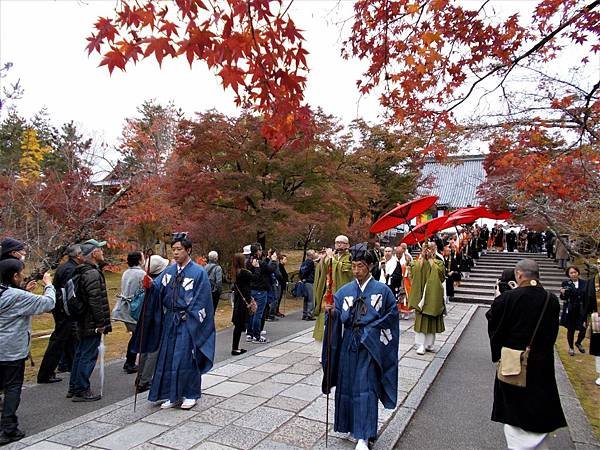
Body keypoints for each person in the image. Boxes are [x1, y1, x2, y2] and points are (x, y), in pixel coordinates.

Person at [321, 249, 399, 450]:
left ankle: (364, 435)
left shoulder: (383, 291)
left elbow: (391, 316)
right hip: (348, 343)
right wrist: (331, 313)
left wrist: (371, 332)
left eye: (361, 266)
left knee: (366, 387)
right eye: (353, 266)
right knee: (346, 385)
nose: (356, 270)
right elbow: (336, 313)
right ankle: (348, 425)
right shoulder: (345, 290)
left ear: (371, 266)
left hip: (369, 346)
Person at [486, 259, 566, 449]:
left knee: (515, 412)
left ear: (519, 275)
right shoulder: (551, 299)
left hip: (515, 363)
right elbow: (552, 333)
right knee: (538, 409)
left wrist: (498, 299)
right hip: (542, 364)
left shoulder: (509, 298)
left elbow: (495, 325)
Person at [134, 235, 215, 409]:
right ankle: (172, 394)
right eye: (174, 250)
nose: (176, 253)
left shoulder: (198, 272)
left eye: (179, 249)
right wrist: (149, 285)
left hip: (188, 321)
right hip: (170, 320)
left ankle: (190, 394)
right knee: (168, 356)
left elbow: (203, 298)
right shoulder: (169, 271)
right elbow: (158, 288)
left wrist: (190, 313)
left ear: (188, 250)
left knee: (186, 357)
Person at [0, 259, 55, 446]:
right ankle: (8, 428)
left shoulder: (9, 293)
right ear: (14, 276)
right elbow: (48, 303)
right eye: (21, 273)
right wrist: (48, 285)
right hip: (11, 350)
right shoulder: (15, 296)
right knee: (12, 387)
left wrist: (25, 292)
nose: (23, 276)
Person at [68, 240, 112, 402]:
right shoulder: (92, 273)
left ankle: (74, 386)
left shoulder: (81, 271)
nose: (102, 252)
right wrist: (101, 323)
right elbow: (95, 300)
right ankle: (81, 389)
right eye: (100, 250)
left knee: (80, 353)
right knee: (87, 354)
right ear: (94, 253)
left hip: (82, 319)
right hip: (91, 322)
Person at [37, 244, 83, 384]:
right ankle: (45, 373)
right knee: (58, 340)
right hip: (64, 310)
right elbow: (67, 293)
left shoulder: (65, 267)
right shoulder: (70, 269)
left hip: (61, 309)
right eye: (81, 253)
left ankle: (70, 366)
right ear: (77, 255)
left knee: (69, 338)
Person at [134, 254, 169, 393]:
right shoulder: (158, 284)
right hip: (157, 319)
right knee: (154, 349)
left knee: (145, 348)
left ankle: (140, 377)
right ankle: (145, 380)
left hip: (146, 317)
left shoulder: (148, 281)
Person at [312, 235, 353, 341]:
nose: (339, 244)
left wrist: (330, 259)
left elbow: (346, 269)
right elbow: (323, 271)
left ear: (348, 245)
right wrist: (323, 260)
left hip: (342, 295)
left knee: (340, 323)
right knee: (324, 321)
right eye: (337, 242)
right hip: (328, 293)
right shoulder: (332, 257)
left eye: (342, 242)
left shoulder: (350, 257)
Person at [408, 242, 445, 355]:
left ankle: (429, 344)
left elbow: (441, 276)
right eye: (427, 249)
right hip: (421, 295)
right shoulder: (417, 263)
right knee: (421, 320)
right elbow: (412, 273)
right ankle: (421, 345)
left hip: (433, 295)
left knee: (432, 319)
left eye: (431, 249)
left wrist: (430, 260)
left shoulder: (439, 262)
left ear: (435, 249)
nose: (429, 251)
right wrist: (422, 258)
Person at [114, 251, 146, 374]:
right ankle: (130, 362)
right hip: (134, 309)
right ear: (139, 260)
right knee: (137, 336)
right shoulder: (141, 274)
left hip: (125, 308)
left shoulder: (126, 272)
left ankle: (130, 361)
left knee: (135, 335)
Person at [246, 243, 276, 343]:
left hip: (251, 290)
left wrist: (267, 259)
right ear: (257, 251)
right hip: (260, 290)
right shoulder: (259, 264)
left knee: (251, 313)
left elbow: (264, 267)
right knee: (258, 314)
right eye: (260, 250)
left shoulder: (249, 262)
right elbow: (270, 269)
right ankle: (256, 335)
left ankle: (250, 334)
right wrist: (274, 261)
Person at [560, 265, 590, 356]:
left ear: (578, 273)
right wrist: (563, 293)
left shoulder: (584, 283)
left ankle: (578, 342)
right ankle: (571, 347)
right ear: (568, 274)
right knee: (571, 329)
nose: (573, 274)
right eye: (571, 273)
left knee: (583, 328)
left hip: (581, 308)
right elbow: (563, 297)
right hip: (571, 308)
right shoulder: (566, 283)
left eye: (575, 272)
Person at [231, 253, 255, 356]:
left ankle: (235, 347)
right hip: (243, 302)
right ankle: (235, 348)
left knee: (238, 325)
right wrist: (256, 267)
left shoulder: (235, 272)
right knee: (239, 325)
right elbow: (254, 277)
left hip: (238, 300)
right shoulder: (244, 273)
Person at [299, 250, 317, 321]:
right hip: (309, 281)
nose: (315, 254)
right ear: (311, 255)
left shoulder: (304, 262)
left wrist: (302, 278)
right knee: (311, 299)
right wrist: (305, 278)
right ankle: (309, 315)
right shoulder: (311, 262)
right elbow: (307, 271)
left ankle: (305, 313)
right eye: (314, 253)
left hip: (305, 282)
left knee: (306, 299)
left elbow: (301, 271)